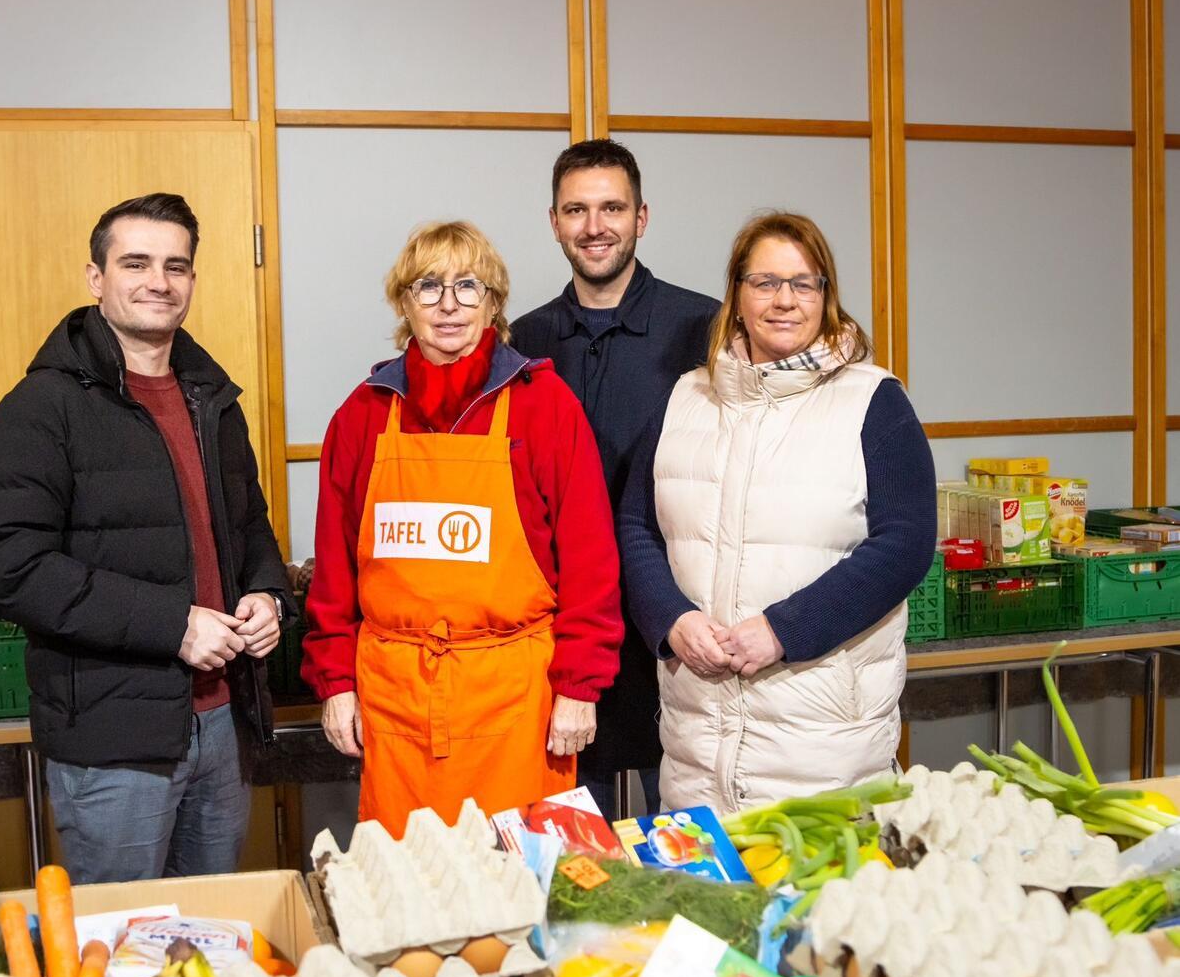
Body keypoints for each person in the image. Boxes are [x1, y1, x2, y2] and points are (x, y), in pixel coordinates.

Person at [0, 193, 296, 883]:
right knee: (123, 946)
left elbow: (247, 527)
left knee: (211, 934)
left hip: (223, 725)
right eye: (137, 262)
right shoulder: (42, 408)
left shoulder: (213, 399)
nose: (159, 281)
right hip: (113, 743)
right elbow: (13, 569)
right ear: (96, 277)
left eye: (176, 265)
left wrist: (268, 594)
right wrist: (171, 624)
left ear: (192, 281)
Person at [302, 220, 622, 838]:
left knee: (522, 886)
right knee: (408, 886)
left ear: (495, 304)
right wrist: (335, 681)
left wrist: (580, 686)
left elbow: (591, 562)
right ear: (404, 303)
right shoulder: (363, 414)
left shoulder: (545, 405)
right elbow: (334, 568)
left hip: (517, 702)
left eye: (468, 286)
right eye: (428, 287)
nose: (448, 305)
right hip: (396, 699)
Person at [619, 211, 936, 811]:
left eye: (803, 283)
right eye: (764, 282)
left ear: (826, 297)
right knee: (708, 901)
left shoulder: (874, 401)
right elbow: (637, 526)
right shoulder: (686, 397)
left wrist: (783, 631)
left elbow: (906, 543)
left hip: (823, 745)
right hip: (696, 741)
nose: (783, 300)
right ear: (737, 297)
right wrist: (671, 619)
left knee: (823, 901)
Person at [511, 139, 719, 819]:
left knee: (686, 840)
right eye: (577, 209)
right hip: (565, 630)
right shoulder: (523, 340)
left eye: (611, 208)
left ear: (642, 217)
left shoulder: (705, 326)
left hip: (676, 615)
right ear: (553, 221)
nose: (594, 225)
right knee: (576, 852)